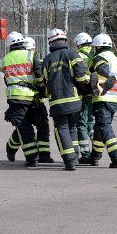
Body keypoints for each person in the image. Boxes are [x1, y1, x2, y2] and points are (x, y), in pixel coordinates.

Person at [41, 29, 88, 171]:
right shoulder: (73, 55)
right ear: (65, 40)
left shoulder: (47, 60)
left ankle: (69, 161)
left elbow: (43, 82)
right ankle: (75, 155)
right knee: (72, 128)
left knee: (61, 130)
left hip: (57, 103)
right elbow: (81, 76)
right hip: (75, 101)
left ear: (50, 42)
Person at [0, 32, 45, 167]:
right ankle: (32, 158)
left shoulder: (4, 60)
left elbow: (7, 81)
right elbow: (39, 76)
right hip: (33, 97)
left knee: (23, 127)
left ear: (9, 46)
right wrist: (42, 91)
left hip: (15, 98)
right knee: (26, 127)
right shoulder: (31, 56)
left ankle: (12, 148)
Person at [88, 34, 117, 168]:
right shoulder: (114, 58)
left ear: (97, 46)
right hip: (115, 98)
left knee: (104, 127)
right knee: (99, 128)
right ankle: (94, 156)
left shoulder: (100, 57)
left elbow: (103, 71)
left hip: (104, 97)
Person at [24, 36, 52, 163]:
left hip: (33, 100)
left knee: (40, 127)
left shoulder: (37, 61)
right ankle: (11, 148)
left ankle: (44, 155)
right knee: (28, 128)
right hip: (31, 99)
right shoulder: (32, 60)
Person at [74, 32, 96, 161]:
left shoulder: (79, 56)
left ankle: (85, 154)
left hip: (81, 92)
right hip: (93, 93)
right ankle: (96, 150)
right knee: (90, 121)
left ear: (79, 44)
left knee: (81, 122)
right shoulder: (94, 54)